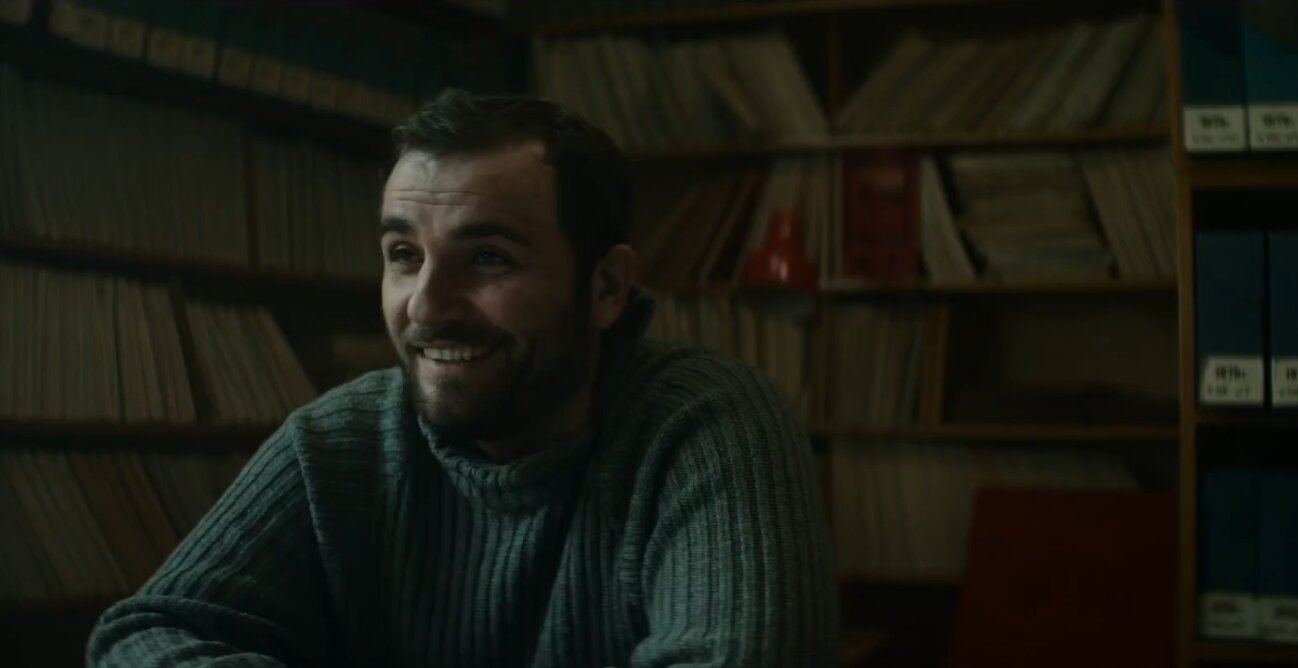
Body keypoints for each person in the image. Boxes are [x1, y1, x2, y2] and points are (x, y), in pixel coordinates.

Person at [88, 90, 839, 667]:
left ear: (607, 287)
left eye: (487, 259)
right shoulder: (339, 441)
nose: (425, 306)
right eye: (404, 256)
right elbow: (145, 634)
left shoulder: (707, 426)